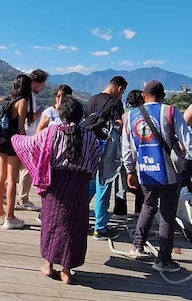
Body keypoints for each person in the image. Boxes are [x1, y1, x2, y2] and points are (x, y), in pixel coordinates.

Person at [122, 80, 192, 272]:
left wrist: (129, 171)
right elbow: (190, 143)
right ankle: (164, 259)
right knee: (167, 214)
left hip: (144, 171)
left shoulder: (129, 116)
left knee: (148, 205)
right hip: (167, 171)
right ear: (163, 96)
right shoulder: (170, 111)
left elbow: (126, 148)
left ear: (144, 96)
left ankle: (137, 245)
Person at [12, 96, 102, 284]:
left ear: (61, 114)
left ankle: (49, 265)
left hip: (55, 184)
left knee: (52, 223)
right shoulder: (89, 136)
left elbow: (30, 145)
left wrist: (15, 137)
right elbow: (96, 160)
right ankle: (67, 270)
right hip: (79, 186)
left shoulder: (51, 132)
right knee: (74, 226)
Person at [0, 74, 35, 230]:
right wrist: (25, 146)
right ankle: (10, 218)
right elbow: (20, 128)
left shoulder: (6, 99)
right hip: (12, 142)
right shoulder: (23, 101)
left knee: (0, 176)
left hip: (0, 141)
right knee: (11, 179)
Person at [86, 76, 127, 240]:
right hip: (107, 149)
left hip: (89, 147)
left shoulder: (91, 100)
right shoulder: (115, 102)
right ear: (119, 88)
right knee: (104, 185)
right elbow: (120, 124)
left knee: (89, 185)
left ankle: (80, 218)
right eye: (122, 92)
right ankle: (100, 228)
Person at [17, 69, 49, 210]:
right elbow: (30, 119)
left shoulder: (19, 96)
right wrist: (41, 111)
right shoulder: (29, 98)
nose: (42, 88)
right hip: (27, 136)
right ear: (35, 83)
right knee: (27, 170)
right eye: (42, 84)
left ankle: (9, 196)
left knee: (16, 170)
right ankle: (23, 199)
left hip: (18, 137)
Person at [113, 90, 144, 216]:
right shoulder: (140, 115)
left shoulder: (124, 115)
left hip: (121, 151)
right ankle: (139, 210)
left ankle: (120, 209)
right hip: (137, 152)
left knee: (120, 182)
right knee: (140, 183)